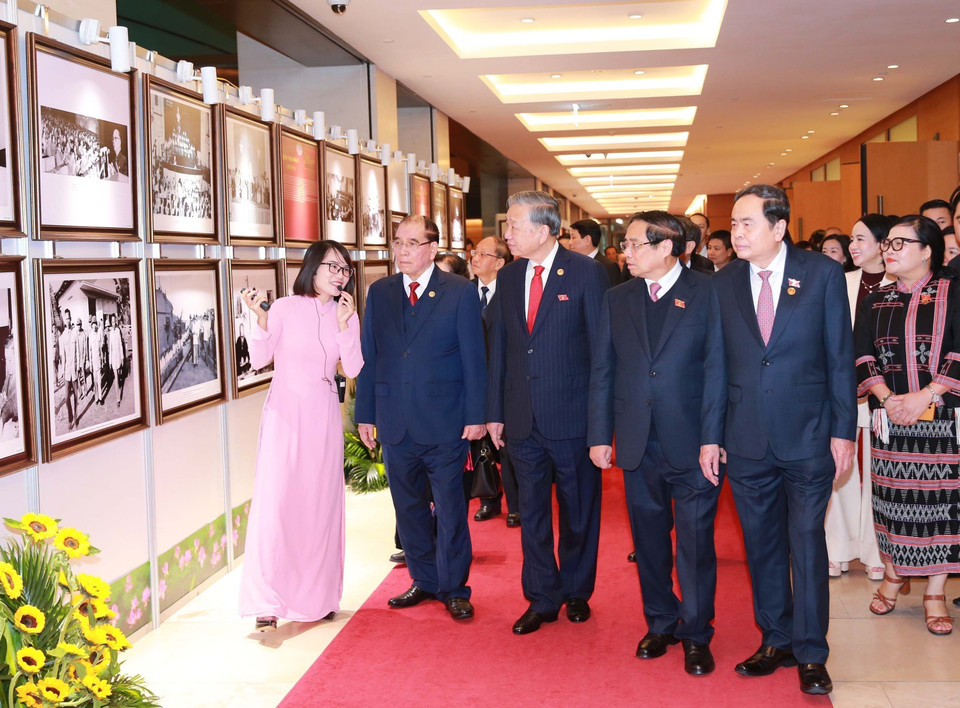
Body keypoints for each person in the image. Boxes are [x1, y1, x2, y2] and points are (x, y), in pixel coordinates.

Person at [700, 184, 856, 695]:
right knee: (761, 545)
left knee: (806, 542)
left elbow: (838, 356)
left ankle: (812, 651)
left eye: (747, 223)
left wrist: (842, 430)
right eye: (735, 224)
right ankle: (777, 639)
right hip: (744, 437)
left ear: (779, 227)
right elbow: (716, 365)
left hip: (809, 434)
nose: (736, 233)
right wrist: (711, 435)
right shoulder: (722, 284)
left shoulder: (822, 274)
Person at [588, 211, 721, 676]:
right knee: (648, 540)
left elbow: (718, 371)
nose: (625, 253)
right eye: (625, 245)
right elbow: (603, 370)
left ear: (666, 247)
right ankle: (661, 620)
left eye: (633, 244)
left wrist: (713, 437)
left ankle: (697, 632)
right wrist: (599, 435)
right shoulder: (617, 298)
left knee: (696, 542)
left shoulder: (709, 293)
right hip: (636, 440)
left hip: (694, 441)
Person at [486, 191, 609, 634]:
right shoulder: (509, 276)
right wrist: (494, 410)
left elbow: (601, 354)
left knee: (578, 512)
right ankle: (541, 597)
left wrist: (600, 428)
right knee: (532, 513)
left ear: (543, 229)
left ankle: (576, 591)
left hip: (572, 419)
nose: (508, 234)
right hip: (521, 417)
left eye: (514, 225)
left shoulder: (586, 273)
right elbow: (500, 346)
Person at [356, 215, 486, 622]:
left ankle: (454, 587)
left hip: (445, 422)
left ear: (432, 248)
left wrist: (477, 414)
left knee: (450, 510)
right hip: (395, 422)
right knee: (408, 508)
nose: (403, 250)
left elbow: (474, 359)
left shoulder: (460, 292)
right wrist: (366, 415)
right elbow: (370, 356)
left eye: (413, 242)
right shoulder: (380, 292)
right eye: (398, 242)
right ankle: (423, 580)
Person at [239, 240, 363, 631]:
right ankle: (266, 601)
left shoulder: (346, 313)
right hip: (284, 416)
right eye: (334, 267)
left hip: (323, 416)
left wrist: (345, 327)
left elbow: (355, 367)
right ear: (313, 267)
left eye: (345, 270)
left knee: (319, 505)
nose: (340, 275)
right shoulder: (284, 308)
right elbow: (259, 359)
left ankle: (318, 597)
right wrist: (257, 319)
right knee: (277, 504)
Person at [855, 215, 960, 636]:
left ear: (927, 250)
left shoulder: (953, 291)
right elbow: (861, 354)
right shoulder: (876, 298)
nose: (889, 250)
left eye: (900, 243)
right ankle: (895, 575)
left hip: (944, 418)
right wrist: (887, 398)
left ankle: (935, 591)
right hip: (890, 418)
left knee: (941, 511)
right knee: (892, 505)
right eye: (888, 244)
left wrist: (926, 395)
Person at [825, 214, 893, 582]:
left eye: (861, 239)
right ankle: (837, 549)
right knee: (839, 473)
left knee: (874, 474)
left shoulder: (898, 284)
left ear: (884, 243)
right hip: (839, 391)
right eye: (851, 239)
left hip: (880, 392)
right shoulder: (840, 280)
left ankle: (875, 552)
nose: (853, 246)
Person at [469, 237, 520, 526]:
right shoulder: (464, 291)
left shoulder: (512, 294)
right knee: (480, 444)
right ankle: (488, 498)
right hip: (474, 381)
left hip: (505, 379)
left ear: (500, 262)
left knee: (507, 445)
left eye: (483, 254)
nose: (475, 258)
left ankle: (516, 504)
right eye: (474, 252)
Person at [568, 218, 622, 285]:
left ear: (587, 240)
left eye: (573, 238)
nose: (570, 242)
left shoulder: (608, 266)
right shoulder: (572, 264)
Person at [58, 309, 79, 429]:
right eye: (66, 318)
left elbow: (77, 351)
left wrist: (79, 366)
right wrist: (62, 371)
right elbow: (62, 356)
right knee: (67, 397)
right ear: (64, 320)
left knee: (76, 396)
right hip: (67, 372)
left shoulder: (75, 333)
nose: (68, 320)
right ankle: (70, 417)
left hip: (74, 370)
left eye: (69, 318)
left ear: (71, 319)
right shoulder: (62, 337)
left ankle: (75, 416)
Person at [107, 314, 126, 408]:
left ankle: (119, 385)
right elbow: (110, 348)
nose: (113, 323)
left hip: (118, 356)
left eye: (114, 321)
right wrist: (110, 361)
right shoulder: (110, 333)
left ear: (116, 322)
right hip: (113, 358)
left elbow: (120, 345)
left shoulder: (118, 331)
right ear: (110, 322)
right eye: (112, 321)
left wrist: (122, 358)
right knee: (116, 378)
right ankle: (118, 398)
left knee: (119, 376)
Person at [88, 317, 104, 406]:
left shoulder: (99, 335)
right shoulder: (90, 336)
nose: (94, 325)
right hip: (93, 361)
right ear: (91, 325)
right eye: (93, 324)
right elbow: (90, 350)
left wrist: (101, 361)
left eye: (95, 324)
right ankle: (96, 397)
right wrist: (90, 364)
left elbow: (101, 350)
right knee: (95, 381)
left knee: (100, 380)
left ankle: (101, 398)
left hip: (98, 360)